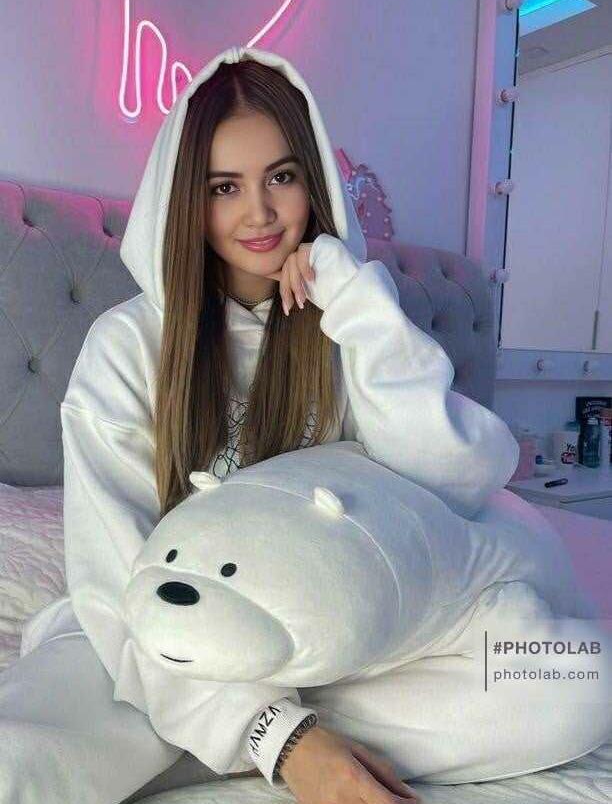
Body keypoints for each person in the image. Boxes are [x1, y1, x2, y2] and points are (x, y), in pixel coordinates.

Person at [2, 44, 541, 804]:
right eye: (224, 187)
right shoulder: (127, 347)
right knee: (18, 757)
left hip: (325, 644)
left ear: (313, 184)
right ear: (187, 200)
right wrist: (276, 734)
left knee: (560, 684)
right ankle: (241, 740)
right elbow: (115, 582)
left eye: (281, 177)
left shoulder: (345, 327)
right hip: (152, 646)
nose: (259, 213)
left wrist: (355, 302)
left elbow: (452, 477)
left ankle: (206, 747)